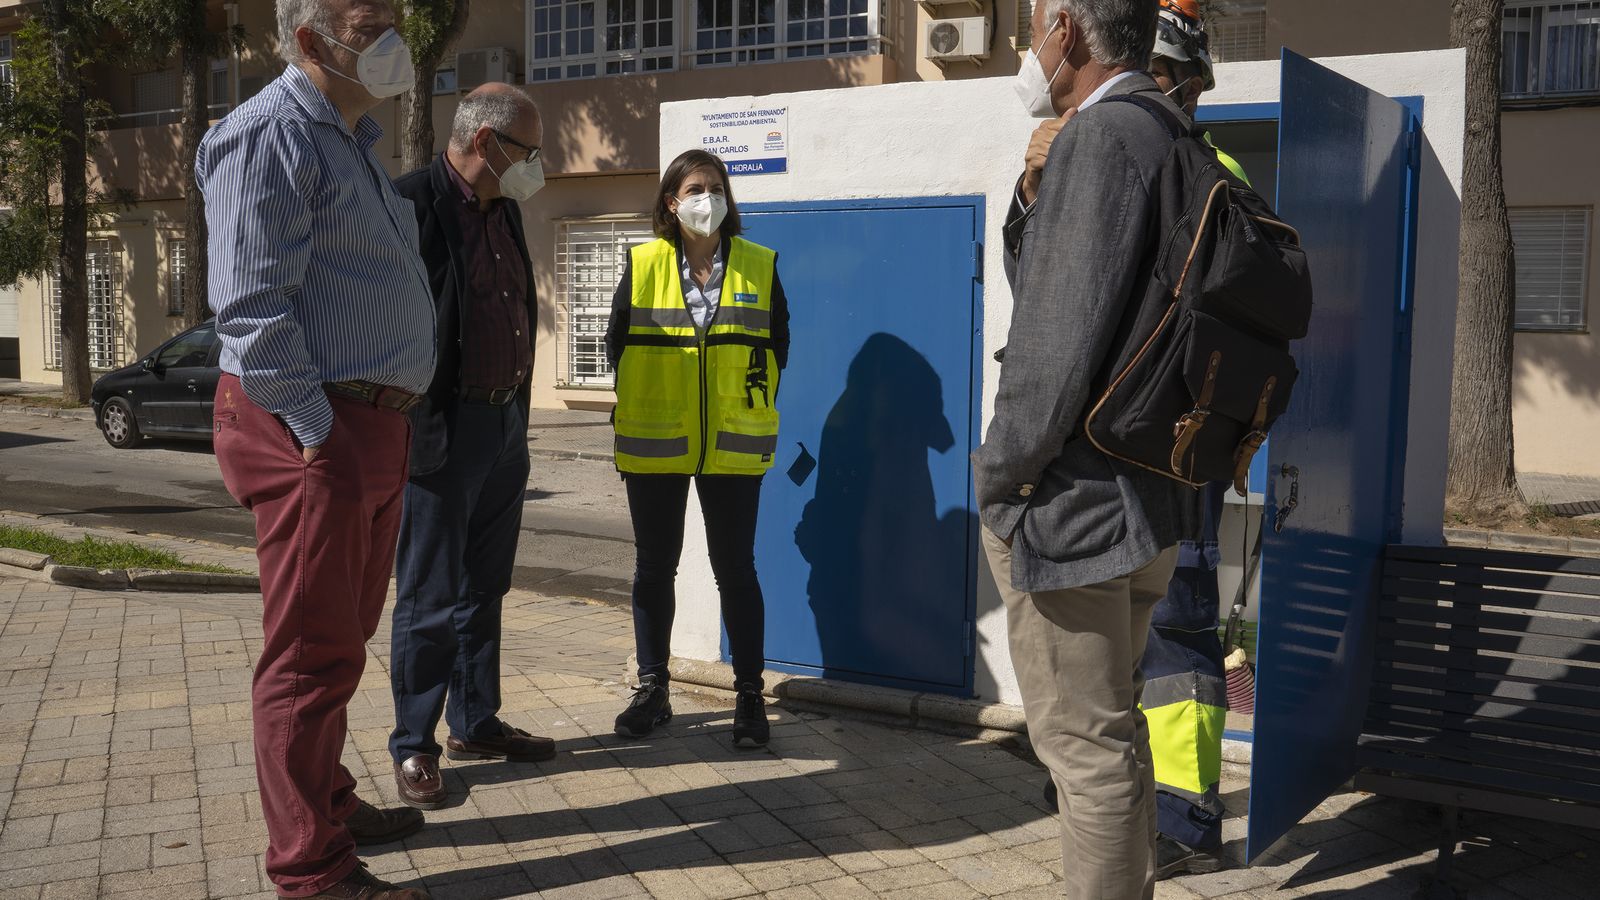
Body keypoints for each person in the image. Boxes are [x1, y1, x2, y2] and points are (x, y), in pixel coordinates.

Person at [196, 1, 435, 897]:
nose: (394, 43)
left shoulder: (351, 140)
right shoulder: (269, 134)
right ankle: (312, 869)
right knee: (308, 656)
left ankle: (325, 802)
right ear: (308, 40)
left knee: (341, 641)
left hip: (364, 424)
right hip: (309, 423)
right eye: (371, 26)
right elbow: (251, 308)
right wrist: (320, 434)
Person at [973, 1, 1201, 898]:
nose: (1030, 44)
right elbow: (1092, 299)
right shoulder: (1168, 129)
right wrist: (1034, 193)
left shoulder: (1103, 138)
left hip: (1074, 509)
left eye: (1035, 24)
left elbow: (1053, 345)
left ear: (1066, 30)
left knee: (1084, 752)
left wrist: (1002, 479)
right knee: (1116, 731)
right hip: (1145, 497)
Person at [1030, 1, 1245, 879]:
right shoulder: (1190, 161)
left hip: (1141, 461)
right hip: (1162, 456)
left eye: (1160, 76)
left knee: (1170, 647)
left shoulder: (1146, 154)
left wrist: (1007, 474)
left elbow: (1081, 325)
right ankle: (1147, 811)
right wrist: (1033, 193)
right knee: (1130, 674)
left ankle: (1181, 819)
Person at [386, 84, 554, 811]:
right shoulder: (407, 205)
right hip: (442, 430)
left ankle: (476, 722)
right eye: (529, 151)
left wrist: (517, 412)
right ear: (486, 142)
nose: (537, 165)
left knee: (486, 588)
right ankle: (414, 746)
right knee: (430, 595)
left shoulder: (504, 208)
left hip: (504, 424)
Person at [603, 150, 790, 748]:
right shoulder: (644, 263)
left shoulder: (758, 264)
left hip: (733, 443)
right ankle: (652, 689)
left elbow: (778, 343)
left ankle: (749, 697)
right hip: (655, 440)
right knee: (654, 567)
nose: (708, 197)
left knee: (736, 569)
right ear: (671, 201)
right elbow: (615, 343)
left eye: (716, 186)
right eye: (695, 188)